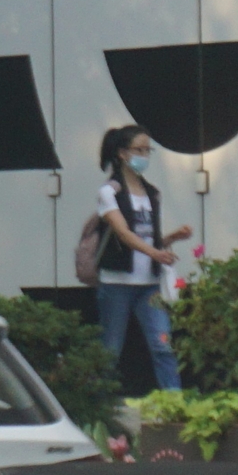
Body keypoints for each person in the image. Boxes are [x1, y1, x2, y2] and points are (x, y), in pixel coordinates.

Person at [95, 125, 191, 392]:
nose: (144, 155)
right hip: (117, 283)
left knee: (163, 344)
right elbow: (123, 233)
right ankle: (100, 405)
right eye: (139, 150)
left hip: (148, 283)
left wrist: (171, 239)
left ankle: (173, 401)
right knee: (110, 350)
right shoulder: (109, 191)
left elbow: (150, 238)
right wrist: (155, 252)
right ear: (123, 153)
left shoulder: (152, 193)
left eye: (148, 150)